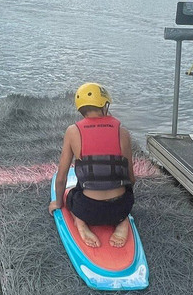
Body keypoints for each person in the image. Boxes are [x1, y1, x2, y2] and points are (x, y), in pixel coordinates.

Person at [49, 83, 136, 248]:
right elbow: (131, 178)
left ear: (80, 109)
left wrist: (58, 203)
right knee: (126, 190)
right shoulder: (122, 131)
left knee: (71, 195)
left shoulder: (72, 131)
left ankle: (80, 223)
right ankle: (122, 222)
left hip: (88, 210)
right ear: (105, 105)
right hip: (120, 208)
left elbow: (61, 178)